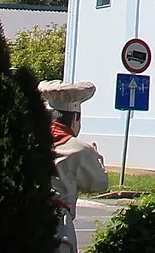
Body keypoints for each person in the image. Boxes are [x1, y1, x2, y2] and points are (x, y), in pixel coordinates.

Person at [41, 80, 109, 253]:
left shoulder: (30, 138)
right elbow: (99, 183)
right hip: (58, 223)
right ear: (75, 118)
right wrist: (95, 155)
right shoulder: (78, 148)